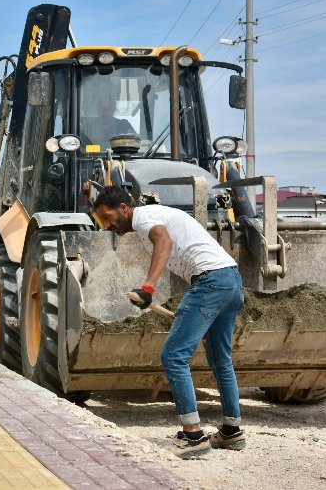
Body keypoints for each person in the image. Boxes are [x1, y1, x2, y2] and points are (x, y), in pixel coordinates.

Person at [92, 185, 245, 459]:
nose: (106, 225)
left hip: (209, 281)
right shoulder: (152, 217)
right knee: (220, 358)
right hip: (230, 280)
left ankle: (193, 435)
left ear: (124, 209)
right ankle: (232, 431)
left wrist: (147, 288)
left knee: (174, 356)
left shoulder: (143, 217)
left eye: (108, 217)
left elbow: (164, 243)